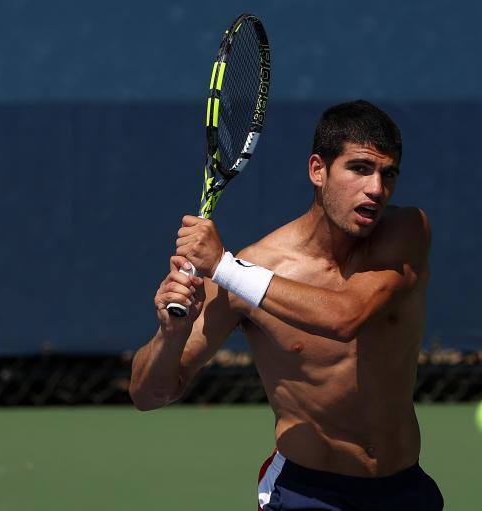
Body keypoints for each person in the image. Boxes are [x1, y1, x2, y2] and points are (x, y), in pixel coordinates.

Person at [129, 100, 443, 510]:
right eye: (360, 169)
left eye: (388, 174)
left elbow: (346, 316)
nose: (376, 189)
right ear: (318, 170)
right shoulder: (253, 270)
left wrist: (223, 266)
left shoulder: (407, 233)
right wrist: (170, 335)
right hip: (306, 495)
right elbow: (148, 394)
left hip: (403, 491)